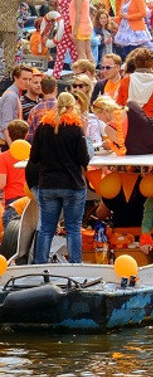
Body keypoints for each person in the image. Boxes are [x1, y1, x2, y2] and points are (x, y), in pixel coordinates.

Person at [26, 92, 90, 264]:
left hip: (48, 185)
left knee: (46, 228)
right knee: (73, 228)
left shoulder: (43, 127)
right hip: (72, 184)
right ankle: (75, 265)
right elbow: (84, 159)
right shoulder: (76, 128)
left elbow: (34, 158)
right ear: (72, 107)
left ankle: (41, 264)